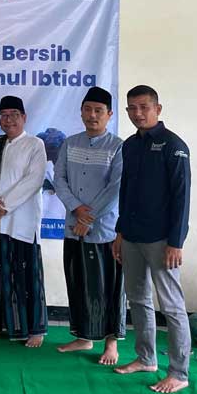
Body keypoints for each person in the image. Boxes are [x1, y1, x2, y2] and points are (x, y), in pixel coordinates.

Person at [114, 85, 191, 394]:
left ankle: (179, 372)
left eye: (144, 107)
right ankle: (146, 358)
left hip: (162, 240)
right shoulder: (130, 146)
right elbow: (125, 192)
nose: (137, 113)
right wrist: (120, 232)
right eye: (132, 108)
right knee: (138, 299)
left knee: (171, 307)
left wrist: (176, 242)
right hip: (131, 236)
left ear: (158, 109)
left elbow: (182, 198)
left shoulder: (174, 146)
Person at [53, 87, 124, 364]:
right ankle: (84, 337)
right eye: (87, 109)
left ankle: (111, 343)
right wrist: (76, 209)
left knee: (108, 287)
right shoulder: (70, 143)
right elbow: (59, 179)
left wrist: (88, 218)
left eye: (98, 111)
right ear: (81, 111)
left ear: (109, 114)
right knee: (78, 283)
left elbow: (115, 188)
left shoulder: (117, 146)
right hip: (73, 228)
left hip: (104, 232)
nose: (92, 115)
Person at [0, 95, 47, 346]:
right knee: (0, 276)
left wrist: (1, 207)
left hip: (23, 222)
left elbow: (34, 180)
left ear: (24, 117)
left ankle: (35, 330)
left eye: (14, 115)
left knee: (28, 276)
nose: (8, 120)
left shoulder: (35, 144)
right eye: (4, 116)